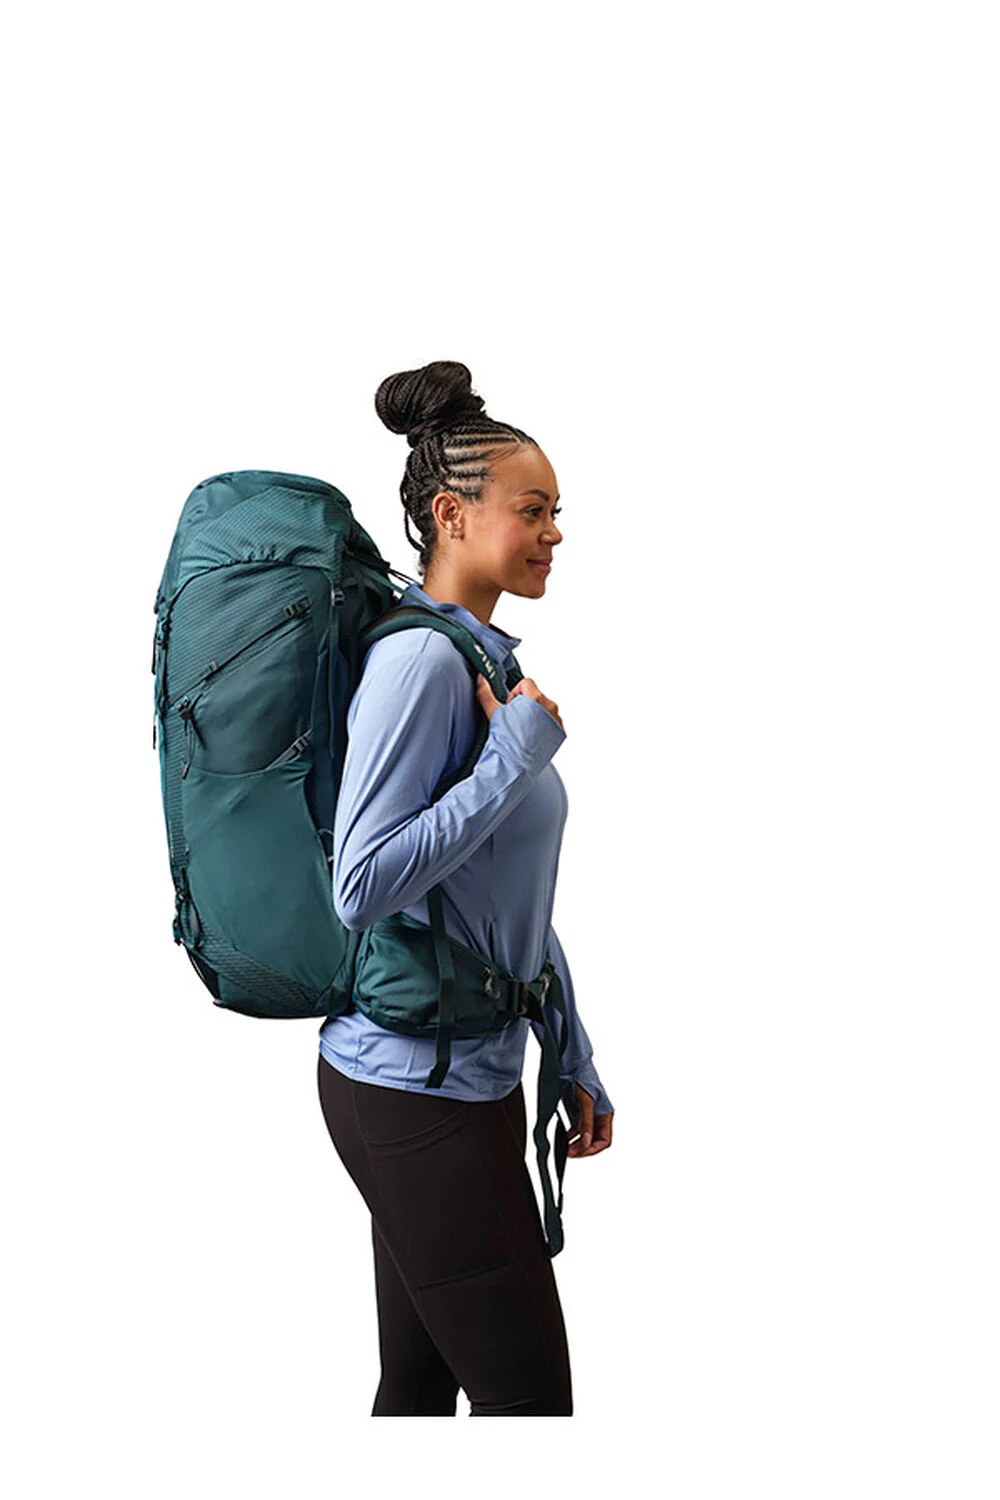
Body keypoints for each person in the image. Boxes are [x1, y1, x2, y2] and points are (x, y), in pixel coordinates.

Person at [316, 359, 614, 1417]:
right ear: (451, 514)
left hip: (462, 1076)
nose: (553, 533)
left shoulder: (479, 658)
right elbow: (362, 884)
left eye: (556, 512)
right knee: (531, 1411)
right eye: (532, 510)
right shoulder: (422, 666)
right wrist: (510, 761)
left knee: (418, 1388)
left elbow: (503, 894)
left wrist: (570, 1049)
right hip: (414, 1090)